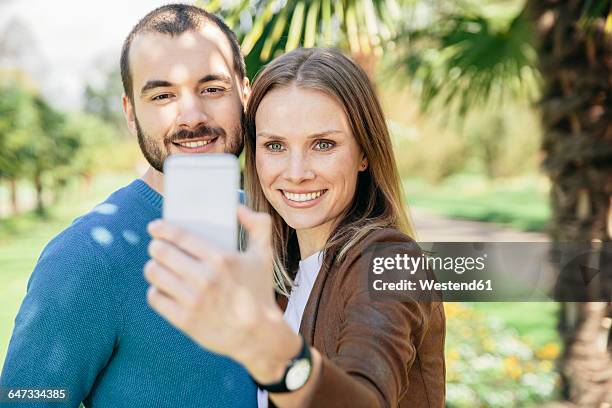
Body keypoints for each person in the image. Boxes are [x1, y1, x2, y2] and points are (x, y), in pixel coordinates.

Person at [145, 48, 446, 407]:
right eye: (275, 145)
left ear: (364, 153)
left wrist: (273, 354)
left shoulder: (392, 262)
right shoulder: (284, 274)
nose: (296, 172)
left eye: (323, 144)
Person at [0, 5, 257, 407]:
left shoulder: (279, 230)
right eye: (162, 95)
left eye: (212, 88)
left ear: (245, 93)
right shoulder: (84, 259)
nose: (191, 115)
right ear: (130, 113)